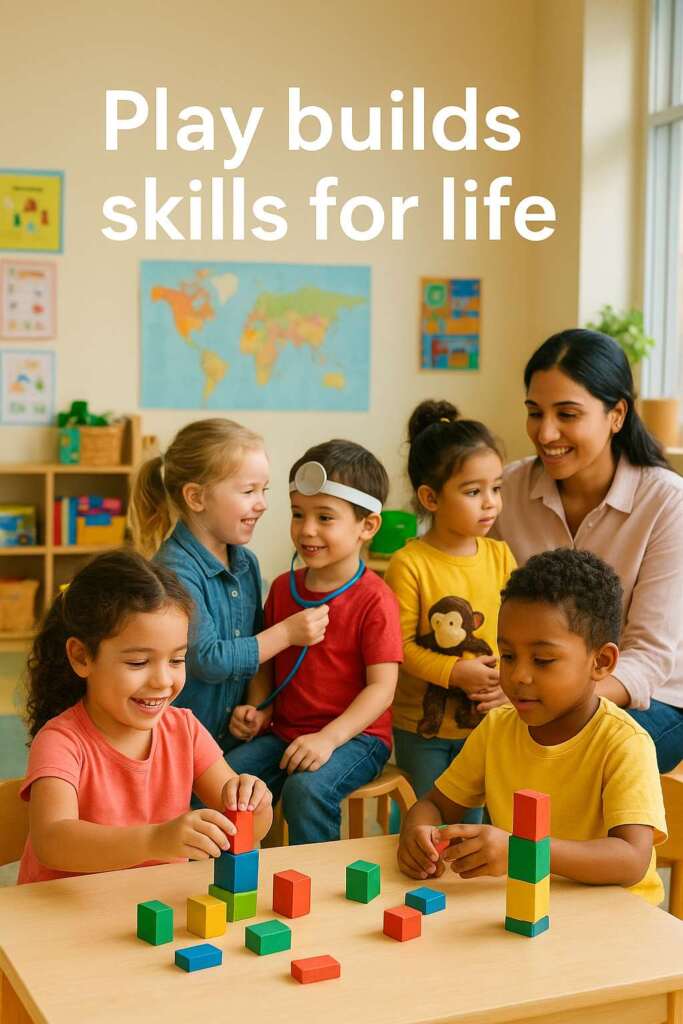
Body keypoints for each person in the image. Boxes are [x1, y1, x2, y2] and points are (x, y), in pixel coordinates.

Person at [397, 548, 667, 905]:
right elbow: (434, 804)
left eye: (543, 660)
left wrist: (522, 852)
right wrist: (417, 835)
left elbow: (631, 860)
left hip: (615, 922)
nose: (518, 676)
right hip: (526, 911)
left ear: (601, 662)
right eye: (508, 656)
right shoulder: (496, 728)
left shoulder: (625, 743)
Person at [19, 550, 272, 884]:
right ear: (82, 657)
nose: (163, 681)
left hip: (147, 912)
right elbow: (53, 840)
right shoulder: (61, 741)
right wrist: (154, 840)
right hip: (64, 917)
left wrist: (255, 801)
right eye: (138, 663)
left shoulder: (184, 729)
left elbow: (248, 825)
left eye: (177, 660)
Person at [493, 329, 683, 773]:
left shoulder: (667, 502)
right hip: (528, 688)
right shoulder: (508, 489)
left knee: (561, 757)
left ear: (616, 414)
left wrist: (558, 696)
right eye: (535, 412)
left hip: (652, 700)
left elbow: (651, 656)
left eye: (567, 414)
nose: (546, 432)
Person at [225, 439, 403, 844]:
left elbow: (382, 688)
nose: (307, 530)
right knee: (224, 780)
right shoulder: (284, 589)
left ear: (367, 526)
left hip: (356, 739)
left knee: (306, 791)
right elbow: (268, 664)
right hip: (286, 732)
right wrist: (257, 707)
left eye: (325, 517)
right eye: (298, 514)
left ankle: (315, 891)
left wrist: (329, 738)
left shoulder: (376, 599)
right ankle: (229, 883)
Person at [130, 418, 328, 752]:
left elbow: (253, 643)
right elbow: (208, 659)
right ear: (196, 497)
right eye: (249, 491)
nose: (262, 503)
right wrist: (287, 633)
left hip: (230, 738)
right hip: (181, 745)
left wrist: (255, 706)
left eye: (263, 490)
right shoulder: (173, 570)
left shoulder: (246, 562)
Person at [384, 400, 515, 811]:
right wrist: (456, 671)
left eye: (496, 488)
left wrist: (508, 691)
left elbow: (518, 637)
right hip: (423, 731)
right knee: (428, 820)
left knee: (478, 824)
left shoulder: (501, 556)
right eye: (474, 492)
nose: (490, 502)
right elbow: (399, 648)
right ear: (430, 497)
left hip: (488, 724)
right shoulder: (410, 563)